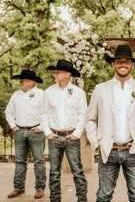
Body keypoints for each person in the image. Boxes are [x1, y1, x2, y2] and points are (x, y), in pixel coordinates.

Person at [85, 44, 135, 202]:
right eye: (119, 61)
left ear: (132, 64)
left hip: (133, 150)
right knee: (103, 196)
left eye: (127, 61)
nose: (123, 64)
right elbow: (90, 118)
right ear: (113, 64)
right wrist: (96, 141)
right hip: (108, 150)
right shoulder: (100, 89)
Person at [41, 59, 88, 202]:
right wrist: (48, 132)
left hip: (71, 136)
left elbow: (83, 115)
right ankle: (55, 199)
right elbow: (44, 114)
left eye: (58, 72)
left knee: (78, 171)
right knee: (54, 172)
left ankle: (82, 199)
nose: (55, 74)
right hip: (54, 137)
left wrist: (76, 134)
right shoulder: (49, 91)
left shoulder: (79, 93)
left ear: (67, 74)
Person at [5, 69, 46, 199]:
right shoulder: (16, 95)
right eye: (21, 80)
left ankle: (40, 188)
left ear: (31, 82)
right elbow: (8, 112)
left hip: (36, 132)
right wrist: (13, 125)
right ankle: (18, 187)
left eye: (23, 80)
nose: (20, 82)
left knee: (39, 161)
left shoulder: (41, 94)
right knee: (19, 161)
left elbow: (48, 113)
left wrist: (41, 127)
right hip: (20, 131)